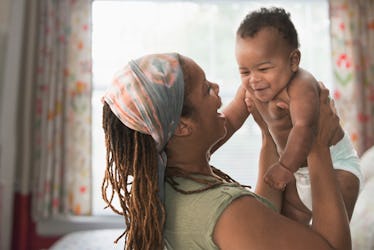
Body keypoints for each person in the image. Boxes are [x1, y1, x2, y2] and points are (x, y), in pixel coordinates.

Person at [101, 52, 351, 250]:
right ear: (182, 127)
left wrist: (269, 132)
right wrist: (316, 143)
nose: (217, 86)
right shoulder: (226, 213)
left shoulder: (168, 180)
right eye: (206, 89)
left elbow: (261, 223)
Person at [234, 7, 361, 223]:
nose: (253, 79)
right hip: (298, 172)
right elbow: (228, 118)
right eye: (245, 71)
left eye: (263, 69)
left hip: (335, 165)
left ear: (293, 61)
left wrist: (284, 167)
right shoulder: (252, 88)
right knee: (292, 228)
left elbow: (305, 128)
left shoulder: (302, 85)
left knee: (331, 231)